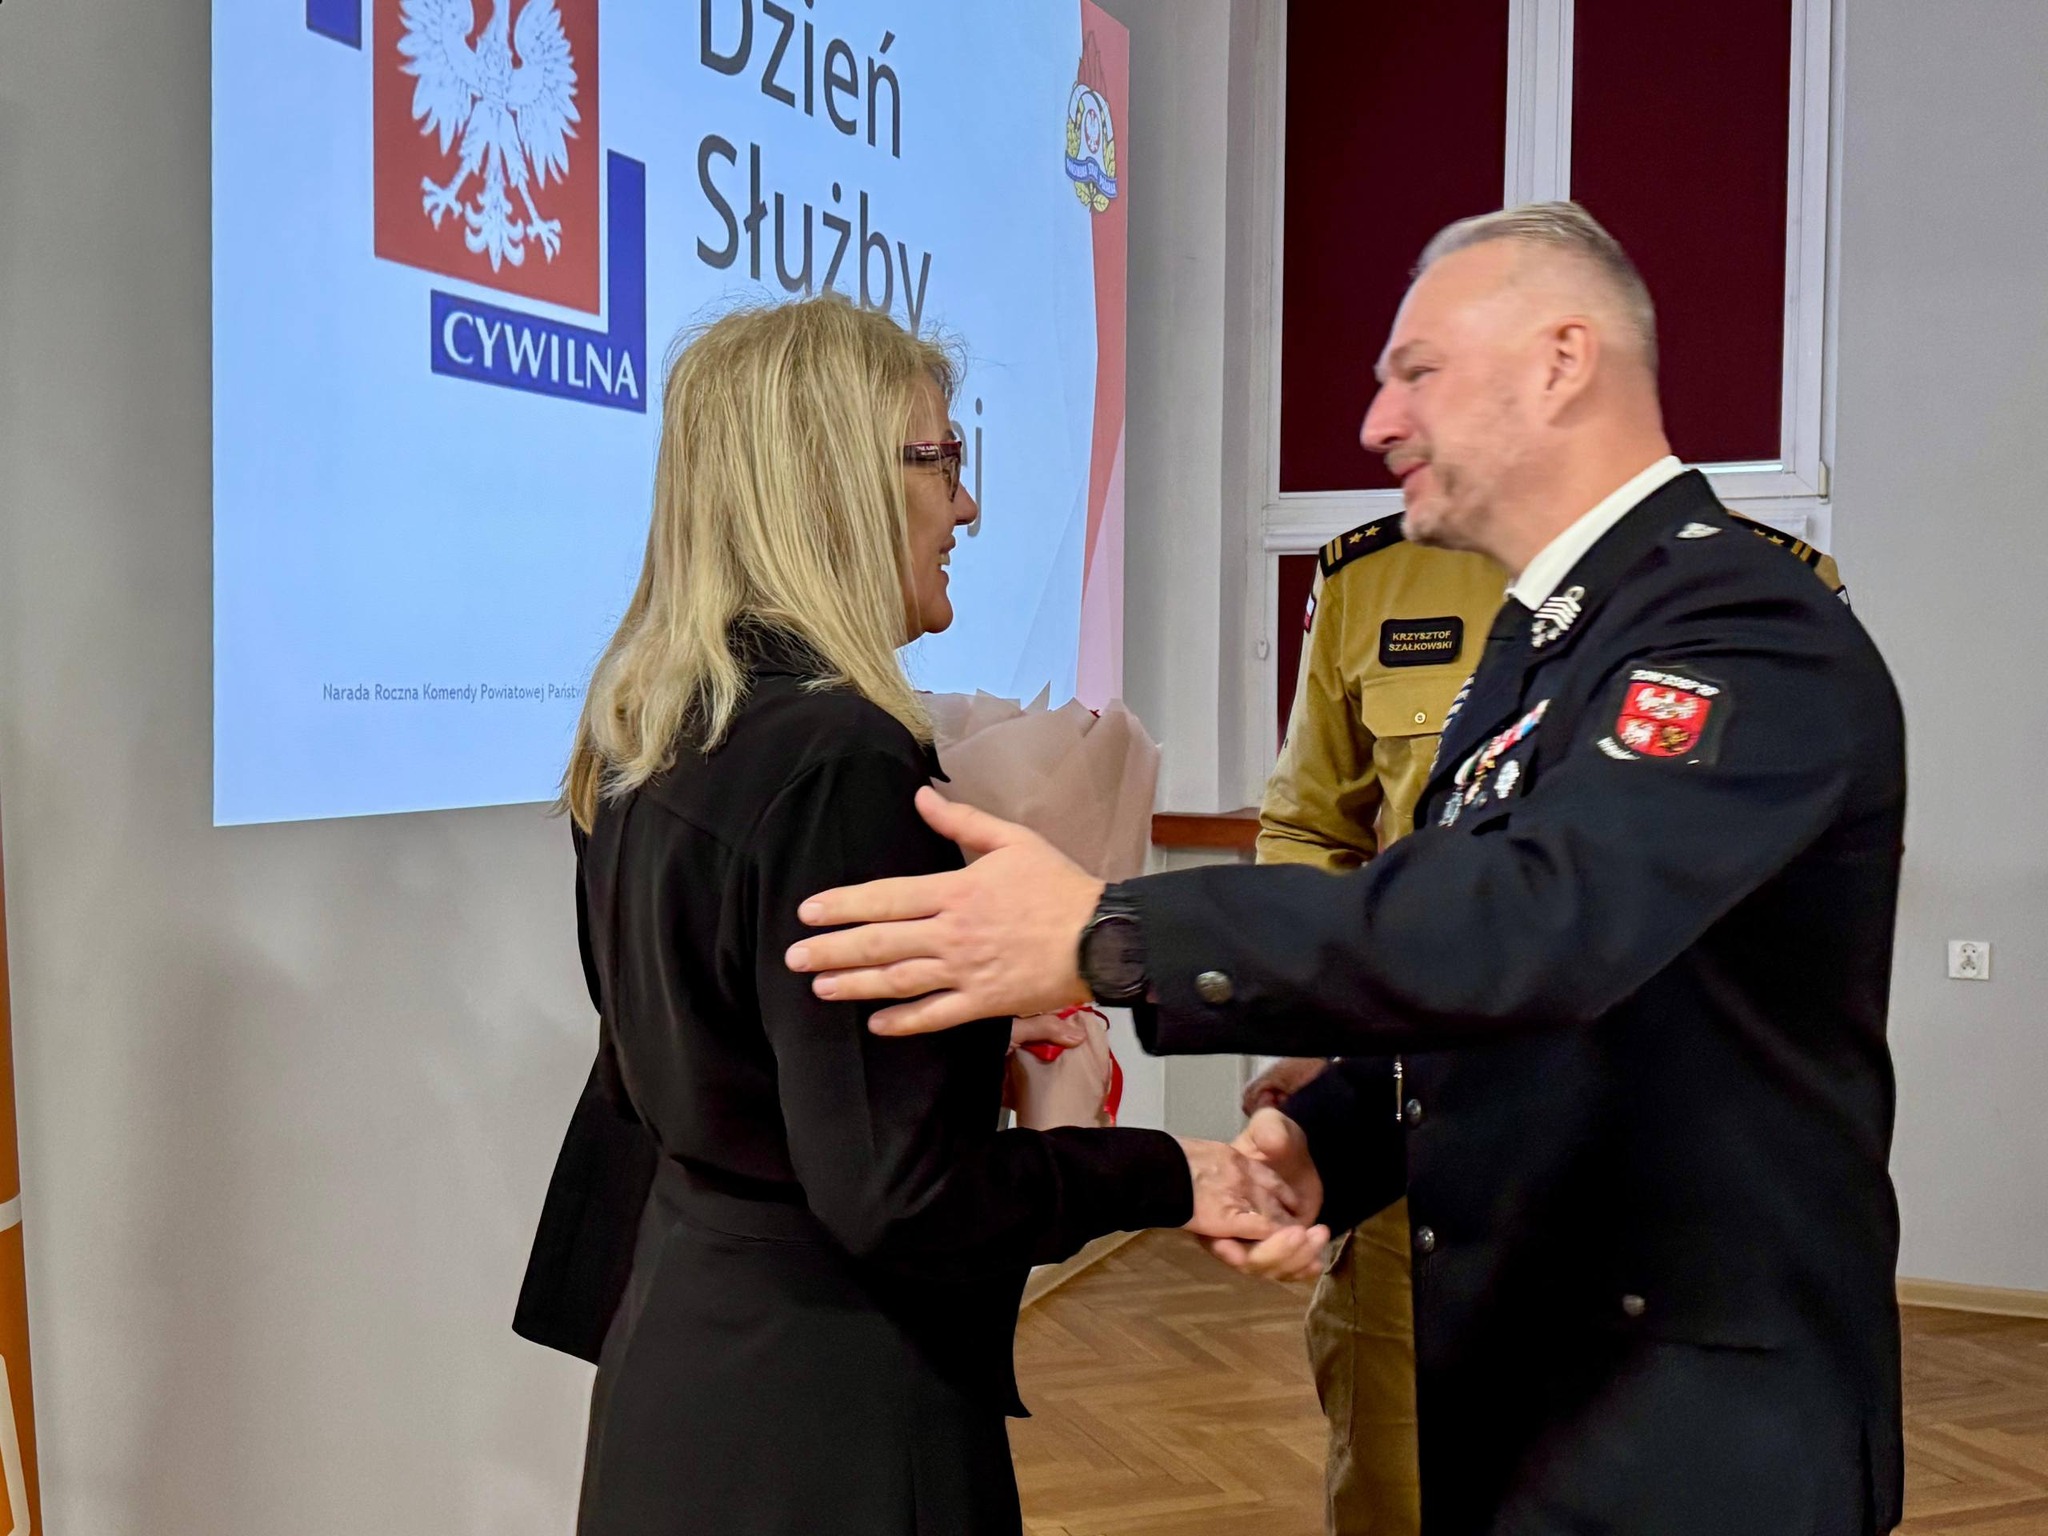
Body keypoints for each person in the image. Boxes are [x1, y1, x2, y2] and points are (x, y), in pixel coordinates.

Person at [784, 204, 1908, 1535]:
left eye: (1415, 370)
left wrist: (1109, 933)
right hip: (1536, 1385)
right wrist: (1334, 1139)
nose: (1375, 422)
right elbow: (1502, 985)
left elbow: (1539, 924)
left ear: (1561, 362)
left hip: (1692, 1432)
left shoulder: (1742, 629)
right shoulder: (1552, 639)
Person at [515, 295, 1295, 1536]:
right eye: (940, 459)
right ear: (831, 482)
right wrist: (1167, 1170)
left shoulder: (638, 731)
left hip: (680, 1356)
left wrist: (977, 1036)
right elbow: (898, 1192)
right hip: (831, 1405)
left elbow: (713, 1059)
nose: (965, 505)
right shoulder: (841, 760)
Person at [1253, 519, 1505, 1536]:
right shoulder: (1374, 580)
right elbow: (1311, 830)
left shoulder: (1743, 584)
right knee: (1395, 1485)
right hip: (1413, 1137)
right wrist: (1320, 1027)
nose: (1380, 437)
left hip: (1636, 1169)